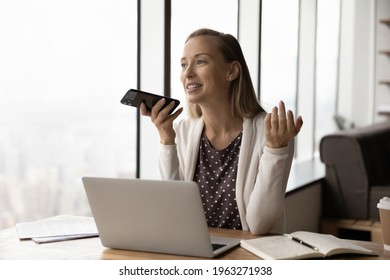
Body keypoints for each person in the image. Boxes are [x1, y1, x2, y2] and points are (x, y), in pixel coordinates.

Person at [140, 28, 303, 235]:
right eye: (183, 64)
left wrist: (275, 151)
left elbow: (260, 225)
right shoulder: (182, 131)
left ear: (232, 71)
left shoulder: (272, 132)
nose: (188, 73)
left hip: (248, 259)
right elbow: (172, 213)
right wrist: (166, 140)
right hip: (195, 254)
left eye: (200, 62)